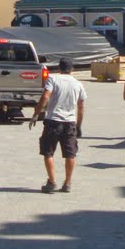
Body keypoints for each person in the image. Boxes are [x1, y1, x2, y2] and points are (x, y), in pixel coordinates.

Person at [32, 58, 86, 192]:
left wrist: (36, 114)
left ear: (59, 68)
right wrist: (78, 125)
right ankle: (67, 183)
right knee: (70, 154)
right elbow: (80, 107)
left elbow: (45, 97)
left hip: (53, 121)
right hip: (70, 122)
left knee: (48, 152)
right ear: (72, 69)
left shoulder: (53, 79)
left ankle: (51, 182)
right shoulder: (78, 84)